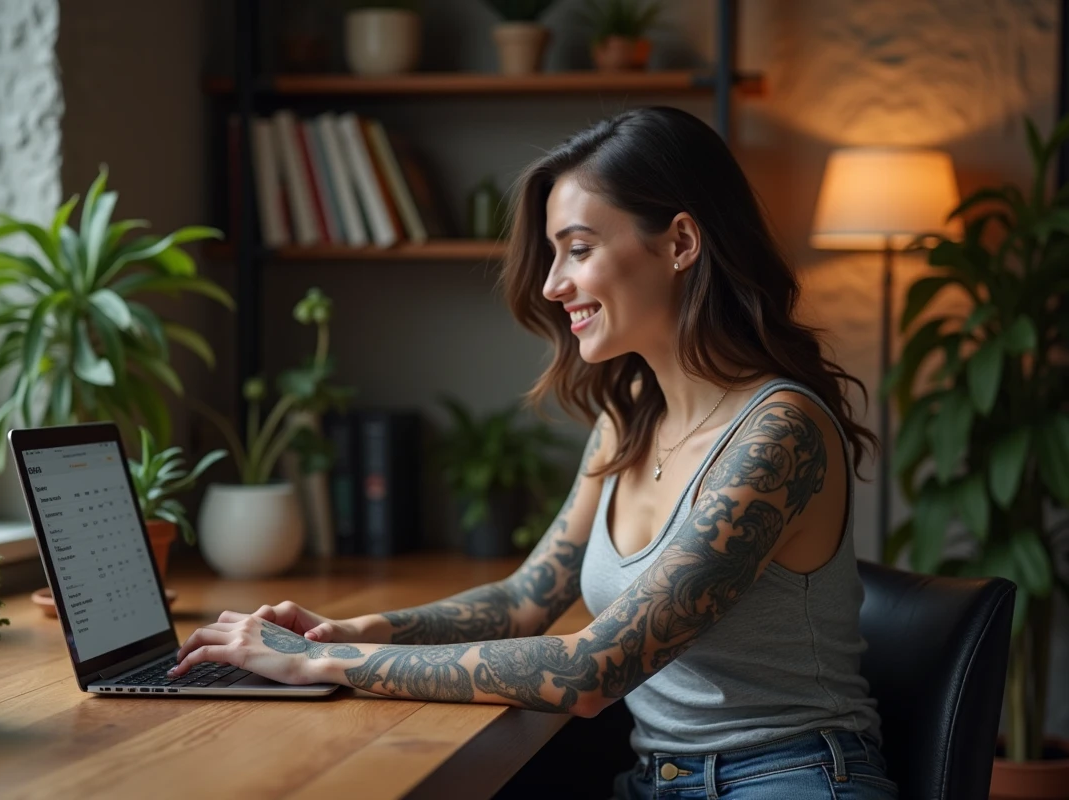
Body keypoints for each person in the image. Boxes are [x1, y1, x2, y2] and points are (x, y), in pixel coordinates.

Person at [172, 106, 898, 799]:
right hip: (657, 779)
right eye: (554, 254)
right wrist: (355, 630)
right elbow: (522, 602)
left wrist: (322, 662)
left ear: (681, 243)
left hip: (792, 777)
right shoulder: (629, 417)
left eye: (578, 249)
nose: (552, 285)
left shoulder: (780, 432)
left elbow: (592, 669)